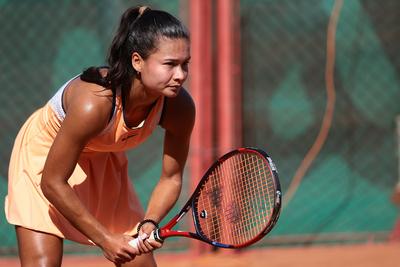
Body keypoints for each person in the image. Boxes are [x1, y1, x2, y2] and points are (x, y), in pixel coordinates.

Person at [4, 5, 194, 267]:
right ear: (137, 61)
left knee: (140, 264)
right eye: (170, 64)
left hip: (102, 162)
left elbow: (171, 177)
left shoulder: (179, 107)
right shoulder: (94, 104)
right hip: (45, 160)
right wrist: (105, 239)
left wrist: (149, 222)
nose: (181, 75)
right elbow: (52, 182)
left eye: (185, 64)